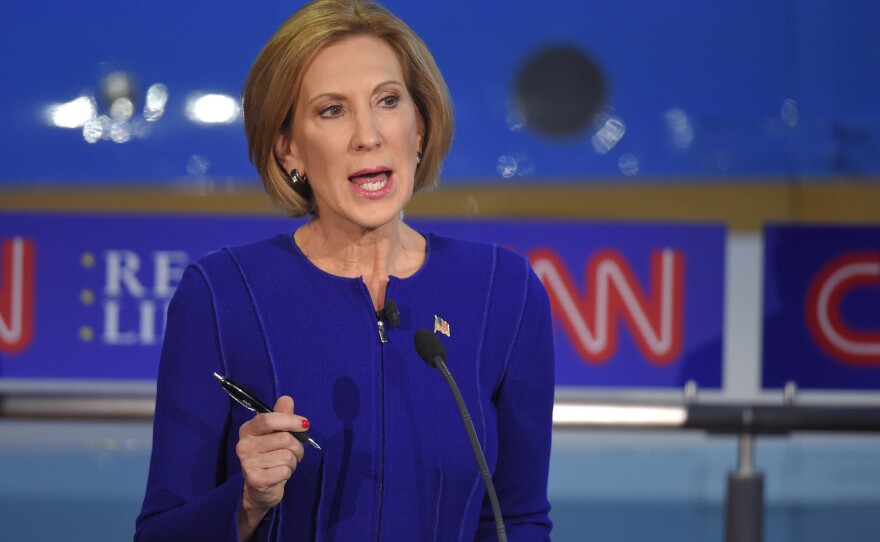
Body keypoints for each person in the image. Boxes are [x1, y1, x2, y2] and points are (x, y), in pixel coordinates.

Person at [135, 1, 555, 540]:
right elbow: (158, 533)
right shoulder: (221, 296)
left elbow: (519, 520)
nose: (368, 135)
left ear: (420, 127)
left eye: (388, 101)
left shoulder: (505, 291)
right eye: (332, 110)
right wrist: (245, 502)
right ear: (289, 150)